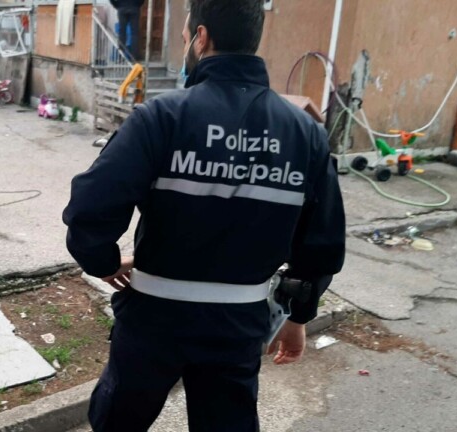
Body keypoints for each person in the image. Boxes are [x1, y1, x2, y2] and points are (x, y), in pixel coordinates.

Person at [62, 0, 346, 430]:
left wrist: (101, 262)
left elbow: (90, 208)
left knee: (118, 421)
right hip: (238, 328)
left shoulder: (160, 118)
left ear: (201, 37)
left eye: (185, 37)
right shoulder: (305, 133)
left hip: (152, 322)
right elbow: (321, 243)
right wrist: (296, 316)